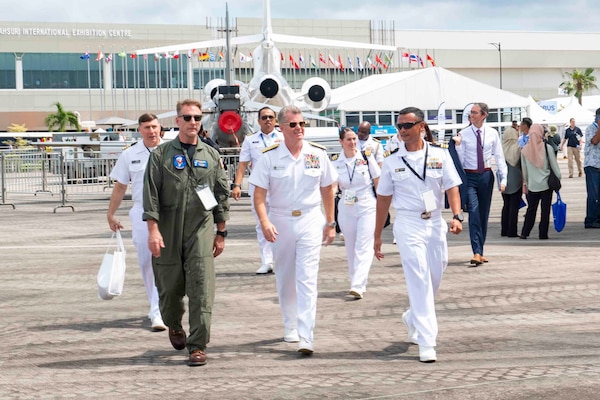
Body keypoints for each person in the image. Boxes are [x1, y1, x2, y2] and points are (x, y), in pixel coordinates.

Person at [143, 99, 230, 367]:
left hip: (200, 228)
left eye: (197, 118)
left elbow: (221, 193)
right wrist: (153, 230)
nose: (193, 122)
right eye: (187, 117)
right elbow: (151, 195)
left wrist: (221, 231)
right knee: (169, 289)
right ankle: (173, 324)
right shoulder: (161, 155)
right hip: (168, 228)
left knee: (202, 287)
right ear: (177, 121)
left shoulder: (211, 155)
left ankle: (198, 346)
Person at [374, 106, 463, 363]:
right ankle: (427, 340)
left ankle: (413, 316)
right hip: (408, 223)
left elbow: (452, 187)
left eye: (407, 126)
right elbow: (383, 199)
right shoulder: (391, 161)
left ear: (421, 127)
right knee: (419, 279)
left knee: (436, 272)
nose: (402, 130)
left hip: (435, 222)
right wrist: (377, 235)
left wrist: (456, 215)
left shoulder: (440, 155)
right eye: (399, 126)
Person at [249, 104, 337, 355]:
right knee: (286, 276)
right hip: (280, 220)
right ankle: (290, 323)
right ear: (281, 127)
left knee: (307, 277)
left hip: (310, 218)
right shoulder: (269, 156)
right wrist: (265, 222)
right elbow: (258, 195)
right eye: (293, 124)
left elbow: (328, 188)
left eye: (302, 124)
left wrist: (330, 222)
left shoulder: (317, 154)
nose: (299, 128)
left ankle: (306, 334)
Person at [107, 113, 166, 332]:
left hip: (170, 213)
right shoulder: (130, 154)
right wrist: (111, 214)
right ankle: (156, 308)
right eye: (146, 127)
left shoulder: (173, 150)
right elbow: (121, 186)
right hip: (142, 212)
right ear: (139, 130)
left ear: (160, 128)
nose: (151, 131)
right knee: (147, 262)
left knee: (171, 262)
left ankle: (163, 307)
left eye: (154, 127)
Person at [231, 107, 283, 274]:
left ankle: (281, 259)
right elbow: (243, 164)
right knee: (262, 224)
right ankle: (266, 261)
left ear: (275, 120)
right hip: (258, 186)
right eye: (264, 117)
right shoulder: (250, 140)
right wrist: (237, 185)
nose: (268, 120)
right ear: (259, 121)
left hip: (279, 185)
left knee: (280, 222)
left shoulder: (283, 138)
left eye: (271, 117)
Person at [454, 103, 507, 266]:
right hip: (469, 177)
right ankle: (476, 251)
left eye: (475, 113)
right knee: (474, 212)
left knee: (484, 214)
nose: (472, 115)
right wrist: (458, 146)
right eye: (471, 113)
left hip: (486, 175)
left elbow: (499, 156)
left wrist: (503, 179)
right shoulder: (463, 134)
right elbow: (460, 160)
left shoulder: (492, 133)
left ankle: (480, 250)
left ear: (484, 115)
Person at [332, 127, 380, 299]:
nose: (352, 143)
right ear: (341, 142)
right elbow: (332, 187)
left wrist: (383, 206)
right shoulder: (336, 161)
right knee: (351, 246)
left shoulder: (366, 157)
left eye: (354, 139)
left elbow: (377, 180)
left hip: (367, 203)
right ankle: (356, 282)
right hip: (347, 205)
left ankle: (358, 284)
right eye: (348, 140)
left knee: (363, 245)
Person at [520, 124, 561, 239]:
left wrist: (527, 183)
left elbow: (525, 171)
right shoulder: (547, 148)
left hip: (532, 185)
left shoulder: (524, 150)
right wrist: (558, 178)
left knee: (531, 209)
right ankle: (543, 234)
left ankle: (525, 232)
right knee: (545, 210)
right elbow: (554, 166)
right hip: (546, 185)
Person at [500, 124, 523, 237]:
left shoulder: (501, 148)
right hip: (516, 179)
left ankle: (504, 230)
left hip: (504, 181)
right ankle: (512, 231)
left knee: (506, 205)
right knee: (514, 207)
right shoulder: (518, 147)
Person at [584, 108, 600, 229]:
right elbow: (594, 141)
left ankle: (598, 219)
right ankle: (590, 219)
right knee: (593, 195)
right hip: (592, 166)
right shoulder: (591, 128)